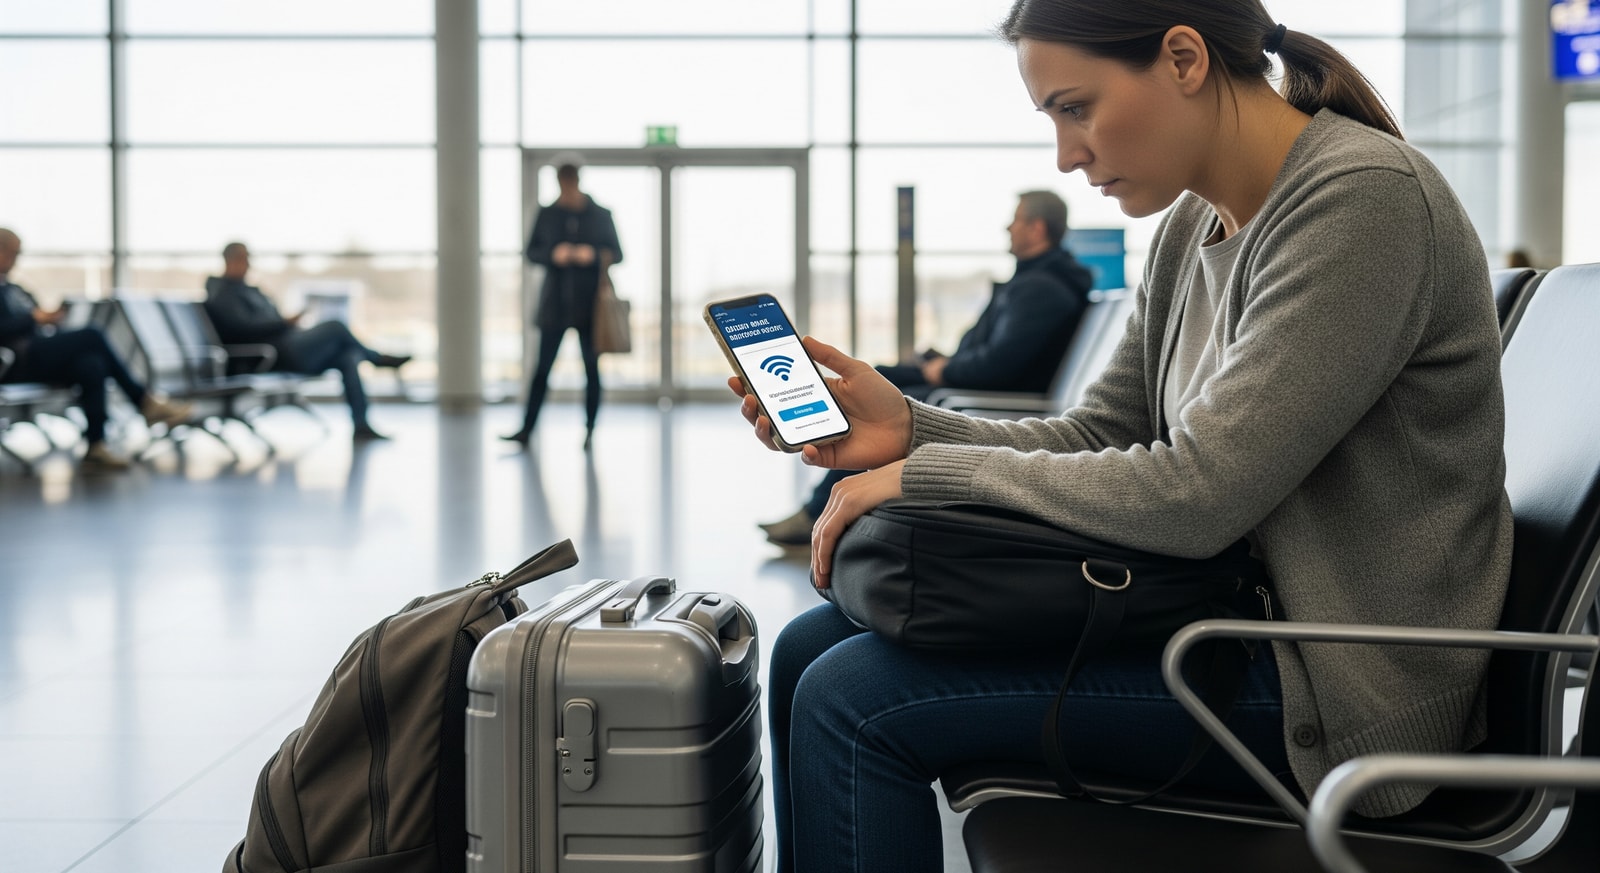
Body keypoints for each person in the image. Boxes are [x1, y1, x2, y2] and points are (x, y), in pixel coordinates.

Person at [729, 2, 1514, 871]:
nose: (1067, 155)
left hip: (1341, 682)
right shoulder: (1193, 224)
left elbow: (1200, 492)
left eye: (1076, 107)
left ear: (1183, 59)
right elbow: (1104, 430)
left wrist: (928, 476)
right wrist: (910, 429)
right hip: (1226, 617)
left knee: (856, 699)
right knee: (808, 646)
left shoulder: (1363, 202)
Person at [758, 190, 1094, 546]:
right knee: (881, 375)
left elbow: (998, 366)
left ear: (1037, 228)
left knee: (891, 397)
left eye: (1016, 219)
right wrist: (942, 362)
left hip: (989, 393)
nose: (1007, 227)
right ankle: (818, 476)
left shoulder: (1041, 289)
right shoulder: (1035, 282)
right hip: (972, 382)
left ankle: (817, 507)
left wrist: (944, 372)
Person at [0, 228, 193, 471]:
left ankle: (95, 445)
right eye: (11, 253)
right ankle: (143, 401)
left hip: (37, 353)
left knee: (91, 364)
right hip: (12, 362)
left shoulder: (15, 288)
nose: (15, 259)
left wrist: (49, 318)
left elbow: (35, 317)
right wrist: (33, 319)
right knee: (92, 335)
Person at [204, 243, 410, 441]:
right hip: (272, 355)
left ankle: (361, 425)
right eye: (244, 258)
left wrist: (287, 323)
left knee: (349, 357)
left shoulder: (251, 290)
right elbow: (242, 330)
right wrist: (283, 323)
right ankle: (376, 359)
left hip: (289, 345)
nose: (248, 264)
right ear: (229, 260)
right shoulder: (223, 293)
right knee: (335, 326)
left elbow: (269, 318)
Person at [502, 157, 622, 451]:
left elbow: (617, 253)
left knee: (591, 370)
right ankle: (527, 429)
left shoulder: (601, 214)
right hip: (555, 304)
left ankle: (590, 431)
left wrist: (590, 255)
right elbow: (532, 252)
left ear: (578, 181)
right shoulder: (547, 214)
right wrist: (553, 255)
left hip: (590, 306)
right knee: (541, 369)